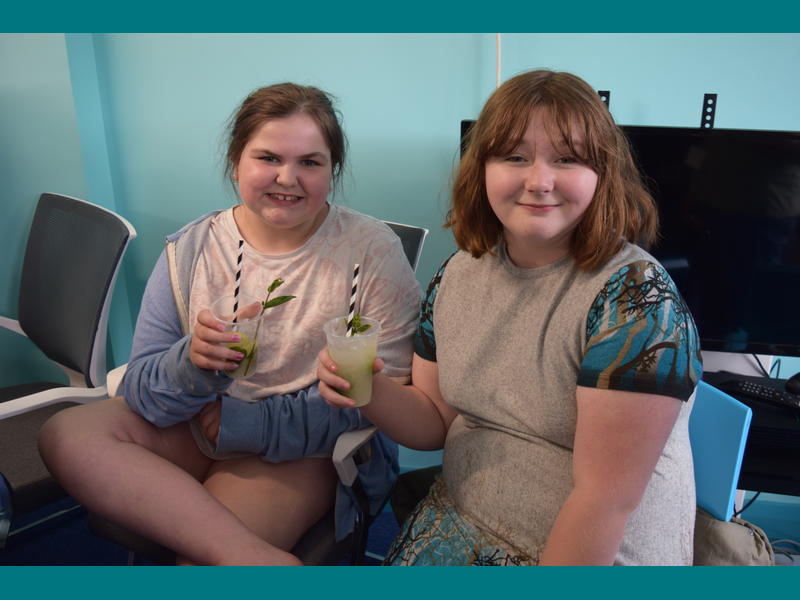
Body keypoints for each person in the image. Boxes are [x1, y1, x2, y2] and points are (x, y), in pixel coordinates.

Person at [318, 70, 703, 566]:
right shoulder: (458, 273)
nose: (538, 181)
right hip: (462, 518)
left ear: (601, 174)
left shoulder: (636, 300)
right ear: (482, 169)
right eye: (514, 157)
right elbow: (434, 421)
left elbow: (604, 502)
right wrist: (367, 391)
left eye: (566, 158)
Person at [39, 83, 421, 566]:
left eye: (310, 162)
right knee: (65, 434)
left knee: (199, 562)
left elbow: (378, 403)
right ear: (236, 161)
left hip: (303, 453)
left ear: (333, 169)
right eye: (268, 158)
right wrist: (191, 365)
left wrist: (249, 424)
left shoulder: (372, 251)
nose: (288, 178)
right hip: (198, 424)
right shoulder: (193, 248)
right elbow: (139, 386)